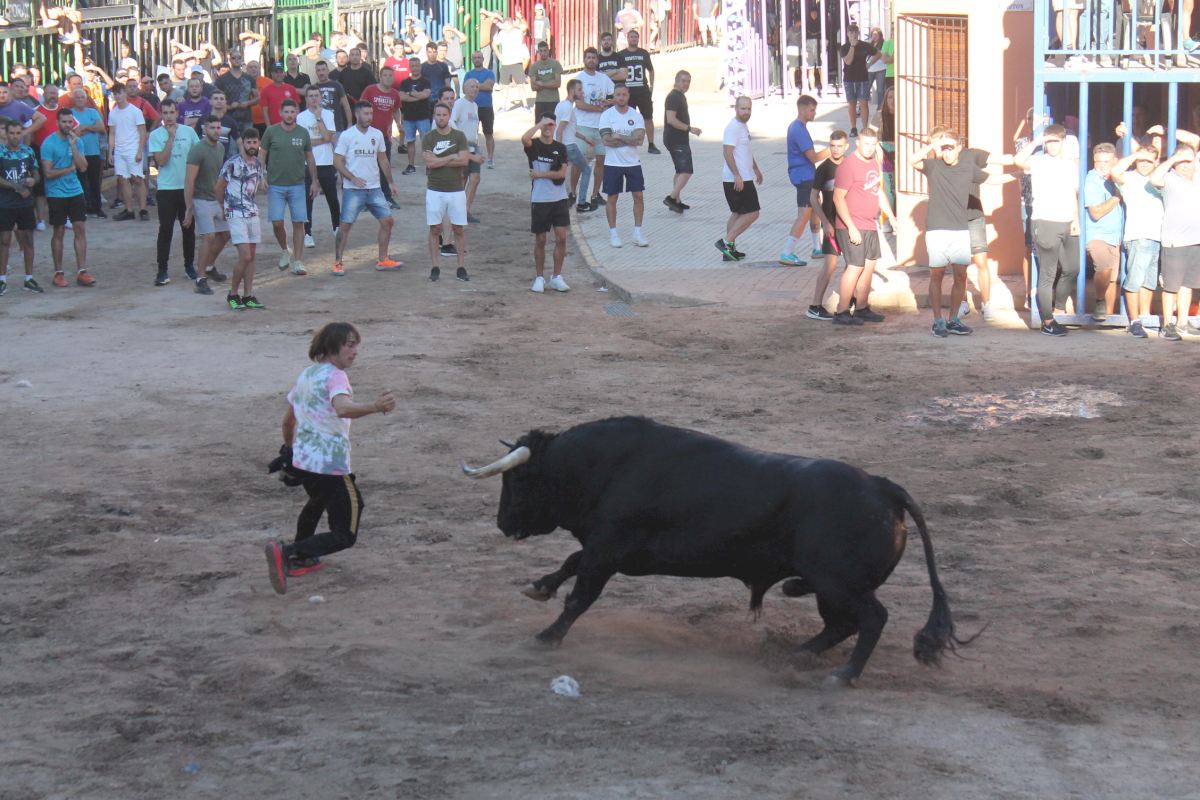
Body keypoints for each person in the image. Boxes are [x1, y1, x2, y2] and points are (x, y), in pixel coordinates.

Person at [263, 322, 395, 595]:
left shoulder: (306, 375)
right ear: (332, 346)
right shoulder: (336, 376)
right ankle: (288, 552)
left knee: (317, 502)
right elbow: (343, 409)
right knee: (345, 533)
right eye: (350, 345)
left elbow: (288, 422)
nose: (355, 351)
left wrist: (288, 451)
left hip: (304, 461)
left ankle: (302, 558)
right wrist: (376, 407)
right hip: (330, 464)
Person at [911, 130, 989, 337]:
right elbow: (913, 160)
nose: (946, 152)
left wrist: (1019, 174)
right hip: (937, 229)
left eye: (950, 148)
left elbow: (992, 178)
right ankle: (938, 321)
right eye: (943, 148)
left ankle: (953, 320)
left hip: (960, 230)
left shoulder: (967, 168)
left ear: (958, 148)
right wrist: (934, 145)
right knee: (936, 275)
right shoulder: (933, 166)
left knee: (961, 276)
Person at [1015, 124, 1080, 337]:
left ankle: (1058, 308)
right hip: (1044, 222)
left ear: (1063, 142)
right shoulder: (1038, 161)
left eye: (1055, 141)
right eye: (1049, 141)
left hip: (1067, 221)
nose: (1052, 145)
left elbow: (1072, 193)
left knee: (1073, 268)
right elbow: (1018, 160)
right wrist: (1038, 141)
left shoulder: (1070, 164)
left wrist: (1075, 219)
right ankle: (1048, 321)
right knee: (1047, 274)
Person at [831, 126, 892, 326]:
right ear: (857, 143)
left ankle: (862, 307)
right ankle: (841, 311)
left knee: (869, 266)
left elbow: (878, 191)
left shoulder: (874, 162)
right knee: (855, 266)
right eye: (866, 144)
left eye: (873, 144)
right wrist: (851, 228)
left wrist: (892, 217)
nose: (869, 148)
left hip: (870, 223)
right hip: (852, 224)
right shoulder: (848, 166)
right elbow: (838, 199)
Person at [333, 101, 401, 275]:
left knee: (387, 221)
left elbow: (383, 159)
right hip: (353, 189)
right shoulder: (347, 135)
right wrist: (351, 178)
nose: (369, 117)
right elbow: (337, 161)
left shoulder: (377, 134)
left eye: (371, 114)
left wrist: (391, 183)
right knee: (345, 225)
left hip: (374, 188)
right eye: (366, 114)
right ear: (357, 114)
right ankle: (338, 262)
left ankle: (383, 259)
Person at [1148, 132, 1200, 341]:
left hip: (1196, 240)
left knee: (1188, 284)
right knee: (1171, 285)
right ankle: (1167, 324)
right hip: (1174, 241)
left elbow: (1195, 140)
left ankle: (1182, 322)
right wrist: (1174, 159)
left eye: (1189, 161)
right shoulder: (1169, 178)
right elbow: (1153, 178)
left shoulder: (1198, 176)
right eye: (1182, 161)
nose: (1186, 165)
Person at [261, 98, 320, 276]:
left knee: (298, 222)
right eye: (286, 112)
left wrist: (314, 181)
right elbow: (262, 155)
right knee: (277, 222)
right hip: (275, 185)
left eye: (292, 112)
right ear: (280, 113)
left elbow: (310, 158)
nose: (289, 115)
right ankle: (285, 249)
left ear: (297, 113)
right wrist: (260, 176)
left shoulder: (303, 133)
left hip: (297, 185)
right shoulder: (271, 132)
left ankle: (298, 261)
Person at [1108, 146, 1162, 338]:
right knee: (1135, 281)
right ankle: (1134, 321)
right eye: (1142, 160)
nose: (1145, 164)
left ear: (1156, 161)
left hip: (1157, 236)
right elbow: (1114, 171)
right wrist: (1135, 155)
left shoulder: (1159, 178)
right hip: (1138, 235)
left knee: (1149, 281)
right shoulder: (1129, 178)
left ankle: (1145, 317)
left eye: (1149, 160)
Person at [423, 101, 477, 282]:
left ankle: (461, 267)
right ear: (434, 116)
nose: (441, 118)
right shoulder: (428, 137)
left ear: (449, 116)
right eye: (438, 115)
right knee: (434, 228)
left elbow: (463, 161)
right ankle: (435, 266)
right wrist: (452, 156)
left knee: (458, 229)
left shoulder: (459, 136)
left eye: (444, 115)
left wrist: (440, 160)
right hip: (435, 189)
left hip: (456, 189)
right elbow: (429, 163)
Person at [148, 98, 200, 286]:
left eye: (172, 112)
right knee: (165, 229)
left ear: (177, 113)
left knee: (189, 229)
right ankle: (162, 270)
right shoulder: (156, 135)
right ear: (161, 114)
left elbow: (197, 157)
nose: (169, 116)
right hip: (166, 188)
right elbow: (161, 161)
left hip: (186, 187)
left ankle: (189, 266)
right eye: (165, 113)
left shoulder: (189, 132)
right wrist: (170, 138)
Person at [41, 108, 94, 288]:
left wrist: (73, 147)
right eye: (64, 122)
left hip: (75, 190)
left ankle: (82, 271)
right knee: (59, 231)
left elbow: (83, 167)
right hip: (56, 193)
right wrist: (69, 169)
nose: (67, 125)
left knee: (80, 228)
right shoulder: (49, 143)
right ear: (57, 122)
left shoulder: (77, 142)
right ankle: (58, 272)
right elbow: (48, 173)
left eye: (70, 122)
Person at [214, 127, 264, 310]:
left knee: (252, 256)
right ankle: (233, 293)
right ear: (243, 143)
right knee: (245, 255)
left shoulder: (257, 164)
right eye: (248, 142)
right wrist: (224, 207)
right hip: (235, 213)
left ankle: (248, 295)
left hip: (252, 212)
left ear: (258, 143)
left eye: (254, 142)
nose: (252, 145)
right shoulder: (232, 163)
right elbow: (219, 187)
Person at [183, 115, 232, 296]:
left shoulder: (220, 148)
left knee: (225, 234)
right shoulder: (198, 150)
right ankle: (200, 279)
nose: (216, 131)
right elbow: (189, 180)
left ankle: (209, 267)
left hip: (215, 198)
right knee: (209, 236)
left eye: (218, 128)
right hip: (201, 199)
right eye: (212, 128)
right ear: (204, 129)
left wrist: (224, 200)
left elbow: (220, 176)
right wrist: (189, 208)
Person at [779, 95, 830, 266]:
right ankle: (787, 252)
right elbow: (813, 157)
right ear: (802, 110)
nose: (814, 113)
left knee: (815, 209)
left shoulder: (796, 127)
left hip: (806, 175)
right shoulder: (798, 129)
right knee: (804, 214)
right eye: (812, 110)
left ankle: (817, 247)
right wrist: (832, 150)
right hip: (803, 177)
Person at [522, 117, 571, 293]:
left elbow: (561, 174)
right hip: (540, 199)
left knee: (561, 238)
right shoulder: (534, 146)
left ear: (555, 126)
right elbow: (524, 139)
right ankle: (539, 277)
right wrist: (538, 124)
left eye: (550, 124)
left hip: (559, 199)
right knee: (541, 239)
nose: (547, 127)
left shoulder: (561, 148)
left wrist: (540, 174)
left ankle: (556, 277)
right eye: (545, 125)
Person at [805, 129, 849, 320]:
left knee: (853, 263)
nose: (835, 149)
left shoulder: (850, 165)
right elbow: (813, 197)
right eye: (832, 146)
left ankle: (848, 300)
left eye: (839, 146)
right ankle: (815, 305)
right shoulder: (824, 168)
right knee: (830, 264)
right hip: (831, 222)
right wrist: (824, 221)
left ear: (846, 146)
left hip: (848, 222)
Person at [599, 84, 647, 248]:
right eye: (618, 95)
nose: (621, 97)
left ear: (628, 95)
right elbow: (607, 140)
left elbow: (639, 140)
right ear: (614, 96)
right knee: (612, 197)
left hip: (633, 162)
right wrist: (629, 139)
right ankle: (613, 234)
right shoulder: (607, 116)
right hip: (613, 163)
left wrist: (619, 137)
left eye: (624, 94)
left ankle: (637, 233)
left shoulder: (636, 116)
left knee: (638, 196)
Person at [715, 96, 762, 261]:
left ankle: (729, 251)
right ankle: (726, 243)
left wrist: (756, 168)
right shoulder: (733, 127)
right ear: (735, 108)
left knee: (737, 213)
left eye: (749, 109)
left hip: (743, 176)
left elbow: (745, 151)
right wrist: (737, 175)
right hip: (738, 179)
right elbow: (727, 152)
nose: (746, 112)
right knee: (753, 213)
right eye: (743, 108)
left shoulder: (743, 126)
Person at [1083, 142, 1125, 321]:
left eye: (1106, 162)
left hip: (1115, 235)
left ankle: (1108, 317)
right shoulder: (1092, 180)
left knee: (1112, 278)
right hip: (1097, 235)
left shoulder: (1117, 178)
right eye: (1098, 161)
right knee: (1104, 268)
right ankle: (1099, 300)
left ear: (1115, 161)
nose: (1101, 165)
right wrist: (1117, 197)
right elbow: (1096, 212)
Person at [0, 119, 42, 295]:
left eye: (18, 133)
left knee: (28, 240)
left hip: (25, 203)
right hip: (5, 203)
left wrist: (33, 180)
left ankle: (29, 278)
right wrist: (17, 187)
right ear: (6, 133)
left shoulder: (28, 151)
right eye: (12, 133)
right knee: (4, 241)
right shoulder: (1, 152)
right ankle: (2, 279)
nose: (15, 136)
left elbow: (36, 173)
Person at [296, 86, 339, 251]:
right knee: (308, 200)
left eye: (316, 95)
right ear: (306, 99)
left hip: (326, 161)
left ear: (320, 98)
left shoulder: (328, 114)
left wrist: (319, 118)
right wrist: (322, 139)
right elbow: (304, 142)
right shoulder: (301, 117)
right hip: (308, 163)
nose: (314, 99)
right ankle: (307, 233)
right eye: (310, 96)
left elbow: (329, 137)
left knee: (332, 198)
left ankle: (336, 227)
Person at [574, 47, 615, 211]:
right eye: (588, 57)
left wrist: (608, 103)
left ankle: (595, 194)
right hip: (583, 125)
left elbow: (615, 95)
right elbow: (579, 104)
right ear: (584, 60)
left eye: (593, 57)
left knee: (601, 160)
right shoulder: (579, 78)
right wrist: (599, 108)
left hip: (601, 126)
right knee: (578, 161)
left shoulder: (603, 78)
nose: (591, 60)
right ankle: (573, 193)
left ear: (597, 60)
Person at [360, 66, 404, 209]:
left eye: (390, 75)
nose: (388, 78)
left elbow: (396, 110)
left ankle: (387, 197)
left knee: (385, 167)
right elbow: (361, 108)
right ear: (380, 76)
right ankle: (365, 200)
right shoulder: (370, 90)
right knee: (367, 167)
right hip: (368, 135)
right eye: (385, 75)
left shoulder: (395, 94)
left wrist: (398, 123)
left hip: (384, 136)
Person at [107, 84, 148, 222]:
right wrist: (110, 152)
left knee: (137, 179)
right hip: (119, 151)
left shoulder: (135, 111)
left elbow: (142, 131)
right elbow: (112, 133)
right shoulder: (113, 113)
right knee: (123, 180)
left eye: (119, 93)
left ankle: (143, 209)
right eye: (115, 94)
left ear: (125, 93)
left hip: (133, 149)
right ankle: (129, 209)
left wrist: (140, 151)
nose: (117, 96)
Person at [662, 70, 700, 213]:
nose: (686, 84)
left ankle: (676, 201)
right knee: (686, 171)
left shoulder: (679, 96)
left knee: (680, 171)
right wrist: (689, 128)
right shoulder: (673, 97)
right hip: (675, 139)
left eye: (688, 81)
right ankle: (671, 198)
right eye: (683, 81)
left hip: (678, 138)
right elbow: (671, 120)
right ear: (676, 81)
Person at [555, 78, 593, 212]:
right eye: (579, 90)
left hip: (565, 145)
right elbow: (559, 130)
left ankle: (567, 198)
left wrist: (585, 138)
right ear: (572, 91)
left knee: (562, 174)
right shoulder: (568, 108)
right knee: (586, 170)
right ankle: (581, 203)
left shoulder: (561, 105)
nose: (582, 93)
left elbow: (569, 129)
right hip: (569, 146)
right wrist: (559, 151)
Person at [618, 30, 658, 154]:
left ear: (638, 39)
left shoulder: (644, 53)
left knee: (648, 117)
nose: (634, 39)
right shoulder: (621, 55)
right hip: (628, 92)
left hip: (642, 91)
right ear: (627, 38)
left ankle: (651, 144)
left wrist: (651, 86)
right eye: (631, 37)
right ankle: (627, 142)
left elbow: (651, 70)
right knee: (627, 118)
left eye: (636, 37)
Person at [68, 88, 104, 218]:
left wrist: (84, 127)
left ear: (86, 99)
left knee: (94, 181)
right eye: (77, 97)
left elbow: (101, 128)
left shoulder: (93, 112)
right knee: (80, 182)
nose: (80, 99)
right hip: (77, 153)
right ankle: (82, 208)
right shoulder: (70, 113)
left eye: (82, 97)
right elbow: (72, 131)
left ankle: (97, 208)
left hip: (93, 151)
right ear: (73, 99)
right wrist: (90, 128)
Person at [451, 78, 483, 220]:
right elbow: (452, 121)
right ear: (464, 88)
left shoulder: (475, 105)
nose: (475, 89)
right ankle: (456, 210)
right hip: (462, 148)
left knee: (475, 178)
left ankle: (466, 210)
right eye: (472, 86)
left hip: (473, 147)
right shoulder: (459, 103)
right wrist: (460, 139)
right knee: (462, 180)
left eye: (477, 87)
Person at [839, 25, 875, 138]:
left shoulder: (865, 45)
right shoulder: (844, 47)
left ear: (858, 33)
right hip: (849, 79)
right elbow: (848, 61)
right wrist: (852, 47)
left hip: (863, 78)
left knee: (864, 103)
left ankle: (865, 128)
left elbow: (878, 54)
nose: (853, 34)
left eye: (855, 32)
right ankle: (853, 128)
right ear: (847, 34)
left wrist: (870, 64)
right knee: (852, 103)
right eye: (851, 32)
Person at [399, 58, 433, 176]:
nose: (415, 68)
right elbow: (401, 97)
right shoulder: (404, 83)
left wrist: (410, 93)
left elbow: (426, 95)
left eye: (417, 66)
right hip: (408, 117)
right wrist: (418, 96)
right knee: (410, 142)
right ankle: (411, 165)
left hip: (423, 116)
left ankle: (429, 165)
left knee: (426, 142)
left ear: (420, 67)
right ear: (410, 67)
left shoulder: (426, 81)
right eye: (412, 66)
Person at [464, 51, 498, 167]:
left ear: (483, 59)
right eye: (475, 58)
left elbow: (489, 86)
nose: (477, 59)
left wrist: (473, 85)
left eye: (479, 57)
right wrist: (482, 85)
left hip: (486, 107)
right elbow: (465, 90)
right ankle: (473, 157)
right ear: (472, 60)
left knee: (489, 133)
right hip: (471, 107)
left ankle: (490, 159)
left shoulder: (489, 73)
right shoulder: (468, 74)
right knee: (472, 134)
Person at [494, 19, 530, 111]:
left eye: (507, 25)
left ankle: (525, 105)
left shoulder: (518, 32)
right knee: (505, 86)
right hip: (505, 63)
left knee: (520, 85)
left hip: (517, 62)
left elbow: (525, 26)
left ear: (511, 24)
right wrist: (498, 55)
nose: (505, 27)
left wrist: (514, 25)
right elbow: (494, 43)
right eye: (504, 25)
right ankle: (503, 106)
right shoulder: (502, 33)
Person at [314, 60, 353, 132]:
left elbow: (346, 106)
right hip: (320, 127)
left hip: (337, 126)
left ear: (328, 70)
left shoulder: (337, 85)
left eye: (323, 70)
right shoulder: (314, 87)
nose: (321, 73)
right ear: (316, 72)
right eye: (318, 70)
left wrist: (349, 124)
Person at [529, 40, 563, 123]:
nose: (543, 53)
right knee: (539, 124)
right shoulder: (534, 66)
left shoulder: (555, 64)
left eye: (545, 50)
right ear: (538, 52)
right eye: (540, 51)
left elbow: (557, 83)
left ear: (548, 50)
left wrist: (541, 84)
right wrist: (550, 83)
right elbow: (533, 87)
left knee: (554, 124)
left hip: (553, 100)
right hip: (540, 101)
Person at [208, 90, 242, 159]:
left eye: (221, 99)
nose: (219, 101)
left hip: (223, 160)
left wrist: (244, 158)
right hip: (203, 160)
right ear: (210, 101)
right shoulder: (202, 119)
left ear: (225, 102)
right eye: (216, 98)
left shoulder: (230, 122)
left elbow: (239, 141)